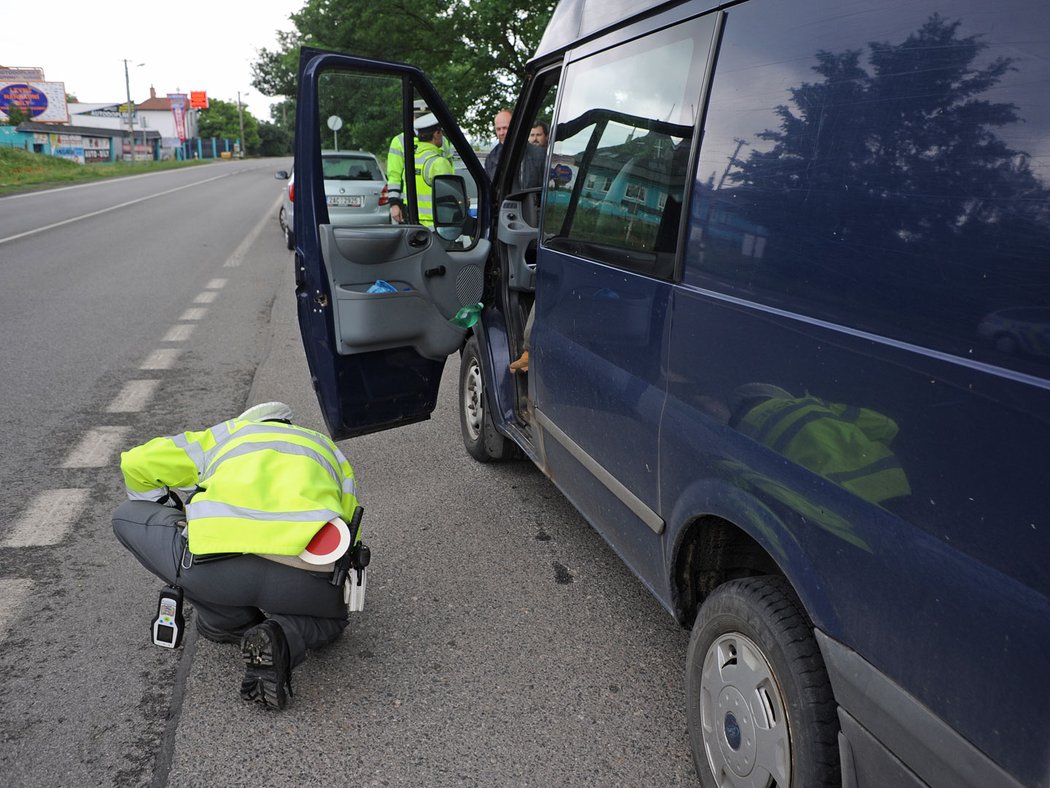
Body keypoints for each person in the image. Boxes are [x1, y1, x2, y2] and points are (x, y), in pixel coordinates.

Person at [112, 401, 361, 710]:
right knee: (332, 621)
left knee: (126, 516)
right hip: (303, 577)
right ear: (289, 425)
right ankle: (282, 635)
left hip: (215, 570)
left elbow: (135, 462)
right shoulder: (325, 449)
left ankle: (229, 621)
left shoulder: (227, 435)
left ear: (244, 420)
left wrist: (172, 511)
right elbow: (350, 527)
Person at [386, 110, 454, 224]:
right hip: (413, 211)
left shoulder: (444, 142)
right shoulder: (399, 141)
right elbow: (394, 176)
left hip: (422, 213)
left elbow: (450, 170)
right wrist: (394, 204)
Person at [484, 109, 513, 181]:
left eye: (505, 128)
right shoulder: (491, 158)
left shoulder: (537, 154)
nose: (501, 133)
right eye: (498, 129)